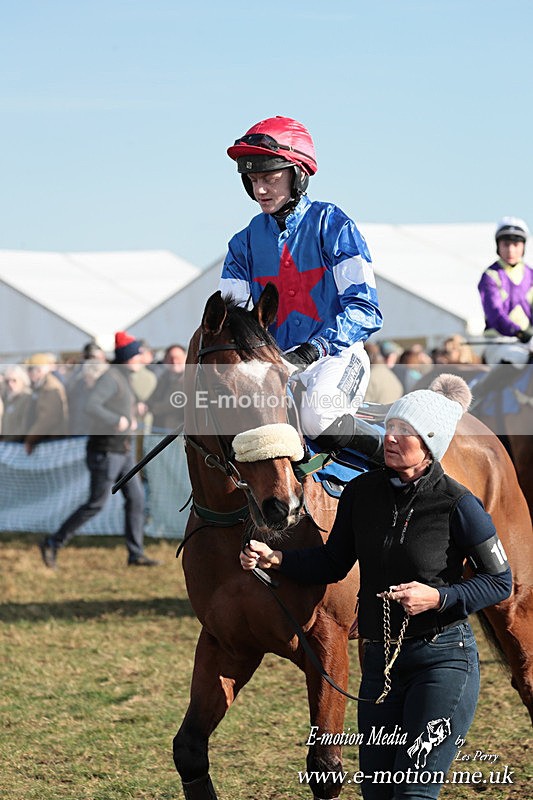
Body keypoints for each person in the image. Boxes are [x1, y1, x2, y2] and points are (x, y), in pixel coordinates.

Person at [240, 374, 512, 800]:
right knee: (377, 794)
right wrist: (278, 559)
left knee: (412, 794)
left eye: (406, 432)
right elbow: (332, 563)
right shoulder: (361, 493)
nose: (391, 437)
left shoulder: (459, 505)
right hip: (379, 668)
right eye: (391, 427)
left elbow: (500, 582)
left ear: (431, 444)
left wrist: (440, 597)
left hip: (441, 662)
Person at [220, 116, 383, 459]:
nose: (260, 190)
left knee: (318, 418)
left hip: (336, 356)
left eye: (269, 178)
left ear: (299, 175)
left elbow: (366, 310)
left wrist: (313, 349)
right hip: (273, 367)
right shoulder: (242, 245)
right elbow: (230, 323)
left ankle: (400, 457)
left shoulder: (334, 225)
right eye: (252, 180)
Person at [39, 331, 160, 569]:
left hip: (122, 451)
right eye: (138, 354)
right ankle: (53, 542)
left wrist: (135, 410)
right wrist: (117, 420)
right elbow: (92, 406)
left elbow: (117, 403)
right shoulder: (111, 377)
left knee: (136, 499)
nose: (143, 358)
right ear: (129, 357)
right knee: (96, 504)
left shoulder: (123, 377)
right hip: (106, 451)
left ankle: (135, 554)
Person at [478, 216, 533, 342]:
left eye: (516, 244)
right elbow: (494, 312)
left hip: (528, 340)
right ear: (498, 246)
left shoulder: (531, 275)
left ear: (523, 246)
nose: (511, 250)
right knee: (512, 359)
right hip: (498, 340)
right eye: (506, 244)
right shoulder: (490, 275)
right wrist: (517, 331)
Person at [24, 353, 69, 454]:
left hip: (51, 442)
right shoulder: (40, 387)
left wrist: (30, 438)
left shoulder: (50, 387)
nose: (28, 373)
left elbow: (49, 418)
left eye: (30, 370)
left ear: (39, 370)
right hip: (43, 440)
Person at [0, 365, 33, 440]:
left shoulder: (28, 398)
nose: (10, 384)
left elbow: (25, 425)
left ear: (22, 380)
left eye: (14, 380)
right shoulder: (8, 398)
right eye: (7, 381)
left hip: (18, 443)